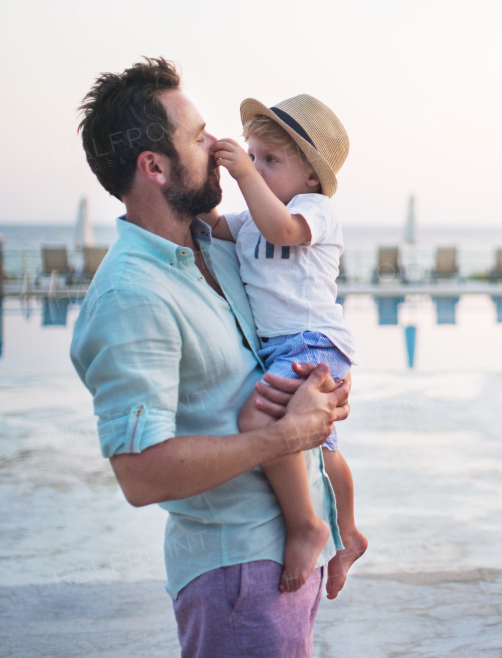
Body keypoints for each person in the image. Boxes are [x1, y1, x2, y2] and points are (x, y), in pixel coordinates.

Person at [70, 57, 350, 658]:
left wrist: (320, 394)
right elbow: (141, 474)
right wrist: (284, 436)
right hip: (237, 578)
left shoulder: (219, 248)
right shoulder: (131, 297)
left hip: (289, 559)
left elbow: (288, 327)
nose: (218, 144)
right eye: (198, 137)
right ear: (155, 166)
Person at [200, 94, 368, 599]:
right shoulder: (252, 217)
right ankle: (350, 535)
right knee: (323, 450)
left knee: (259, 423)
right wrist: (201, 169)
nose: (256, 169)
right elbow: (210, 226)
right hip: (284, 348)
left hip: (312, 339)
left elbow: (283, 230)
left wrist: (245, 178)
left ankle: (307, 526)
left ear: (312, 177)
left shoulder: (313, 210)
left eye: (270, 161)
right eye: (252, 157)